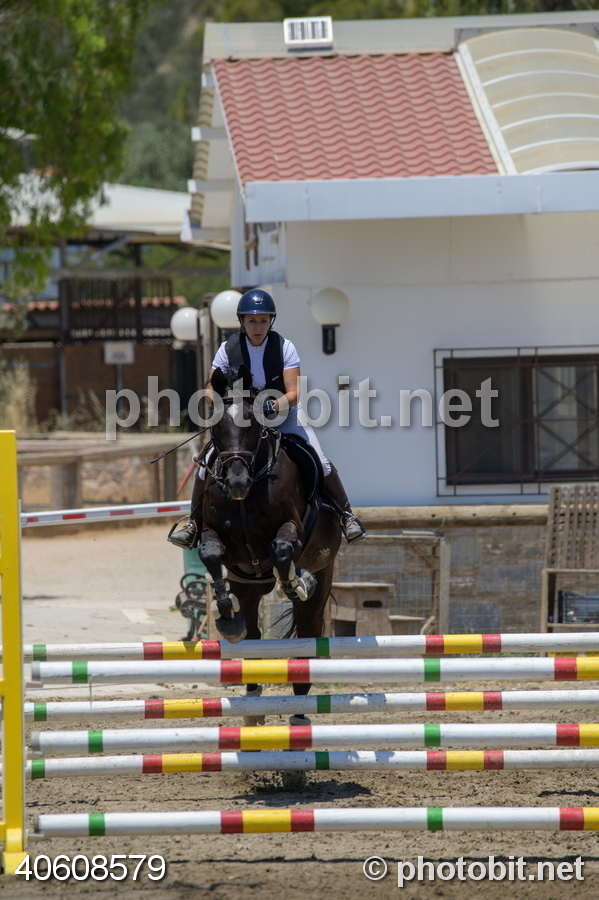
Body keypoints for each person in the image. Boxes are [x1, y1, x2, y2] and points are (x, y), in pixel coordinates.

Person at [168, 288, 365, 548]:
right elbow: (209, 386)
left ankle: (346, 516)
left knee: (320, 459)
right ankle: (193, 523)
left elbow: (294, 393)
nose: (258, 327)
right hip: (244, 421)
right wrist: (218, 403)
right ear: (242, 321)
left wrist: (273, 405)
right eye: (252, 321)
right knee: (206, 461)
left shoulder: (285, 347)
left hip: (282, 415)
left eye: (263, 320)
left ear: (271, 321)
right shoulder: (227, 348)